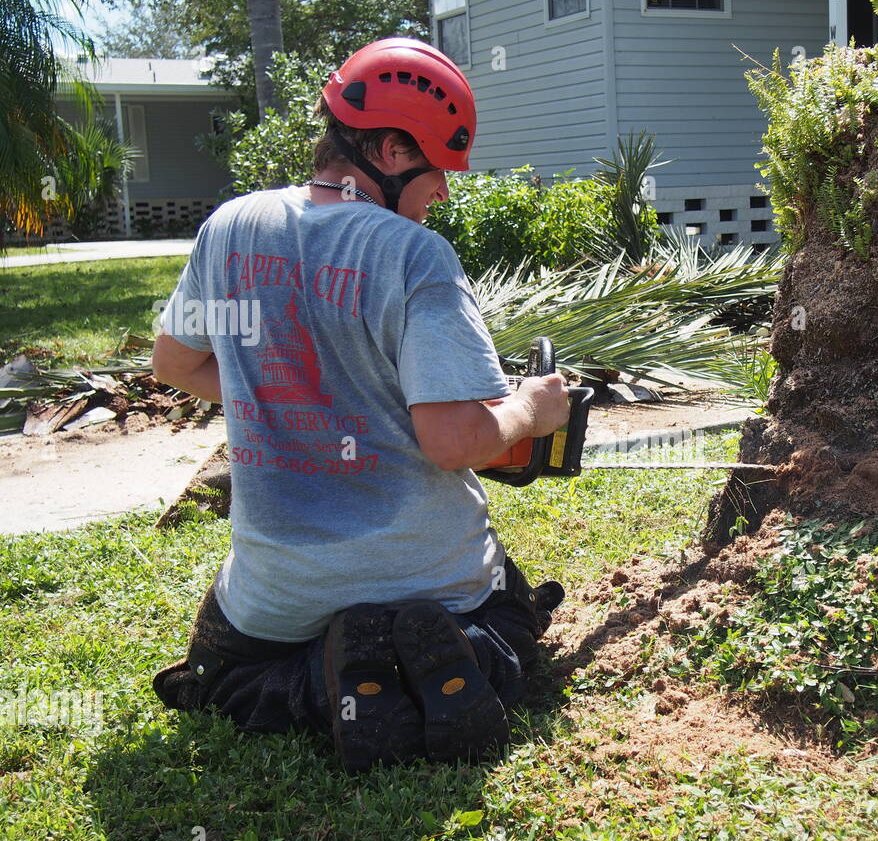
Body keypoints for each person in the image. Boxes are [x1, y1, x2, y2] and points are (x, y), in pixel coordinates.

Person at [149, 37, 571, 772]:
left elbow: (174, 362)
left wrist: (272, 393)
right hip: (432, 579)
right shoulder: (414, 255)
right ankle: (456, 653)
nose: (442, 192)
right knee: (514, 612)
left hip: (279, 592)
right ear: (392, 152)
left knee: (224, 675)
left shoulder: (229, 229)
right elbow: (451, 439)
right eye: (438, 170)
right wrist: (532, 408)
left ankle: (324, 682)